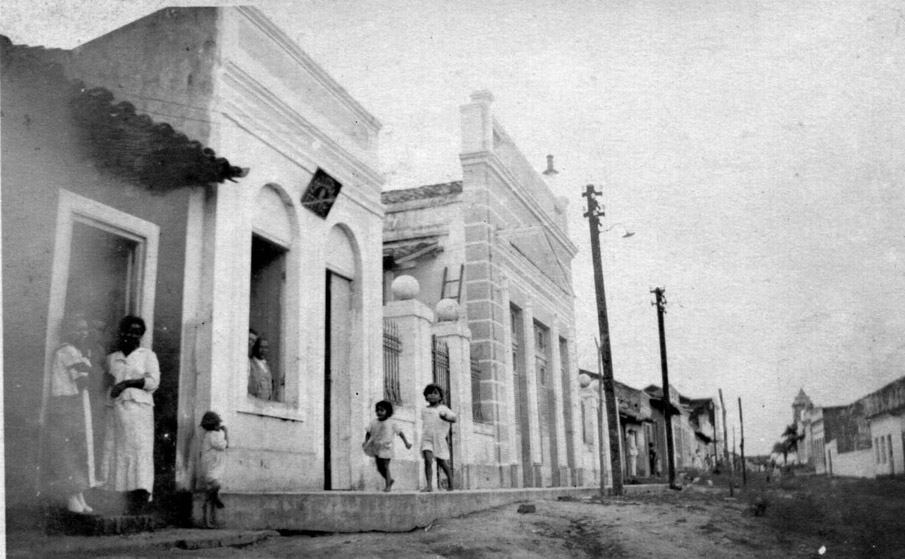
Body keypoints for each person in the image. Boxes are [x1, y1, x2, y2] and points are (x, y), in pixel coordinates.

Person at [101, 315, 160, 514]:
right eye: (127, 331)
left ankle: (140, 497)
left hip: (139, 411)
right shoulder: (112, 358)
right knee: (117, 448)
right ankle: (117, 495)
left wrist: (126, 383)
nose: (131, 335)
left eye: (136, 332)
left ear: (141, 335)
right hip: (116, 410)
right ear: (121, 332)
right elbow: (104, 382)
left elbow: (153, 382)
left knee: (138, 449)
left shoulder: (147, 355)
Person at [45, 314, 95, 513]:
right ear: (67, 331)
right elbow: (84, 380)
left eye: (85, 329)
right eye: (78, 329)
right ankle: (70, 496)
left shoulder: (76, 351)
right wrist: (89, 368)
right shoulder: (67, 350)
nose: (82, 333)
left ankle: (78, 495)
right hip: (64, 404)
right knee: (66, 450)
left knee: (76, 448)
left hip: (72, 403)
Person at [363, 400, 412, 492]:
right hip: (376, 447)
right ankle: (390, 480)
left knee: (385, 466)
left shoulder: (391, 423)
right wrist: (366, 442)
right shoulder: (373, 422)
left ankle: (388, 486)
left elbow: (400, 433)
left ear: (387, 411)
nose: (379, 412)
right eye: (377, 410)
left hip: (387, 447)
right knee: (379, 467)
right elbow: (368, 432)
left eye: (382, 410)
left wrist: (406, 443)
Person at [420, 383, 456, 492]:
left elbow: (454, 419)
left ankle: (451, 484)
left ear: (440, 396)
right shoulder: (424, 409)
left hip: (438, 439)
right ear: (426, 396)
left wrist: (445, 417)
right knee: (428, 460)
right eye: (429, 393)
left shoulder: (443, 408)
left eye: (435, 393)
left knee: (442, 462)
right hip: (427, 438)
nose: (432, 395)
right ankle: (429, 485)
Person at [198, 411, 229, 528]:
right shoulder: (211, 435)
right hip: (210, 468)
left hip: (215, 466)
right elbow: (223, 445)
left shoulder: (214, 434)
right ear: (213, 426)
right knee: (216, 485)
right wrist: (226, 433)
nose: (219, 426)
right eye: (217, 424)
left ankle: (209, 521)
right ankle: (215, 497)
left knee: (210, 496)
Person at [248, 335, 273, 400]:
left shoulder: (266, 366)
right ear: (255, 348)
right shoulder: (250, 363)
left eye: (266, 347)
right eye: (261, 347)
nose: (264, 350)